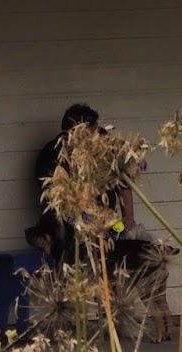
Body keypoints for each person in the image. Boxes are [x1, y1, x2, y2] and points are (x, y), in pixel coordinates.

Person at [27, 102, 137, 265]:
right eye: (88, 135)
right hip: (68, 223)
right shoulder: (52, 157)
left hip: (106, 221)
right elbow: (58, 201)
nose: (94, 140)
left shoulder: (103, 149)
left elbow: (122, 183)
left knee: (131, 250)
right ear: (70, 135)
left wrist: (128, 219)